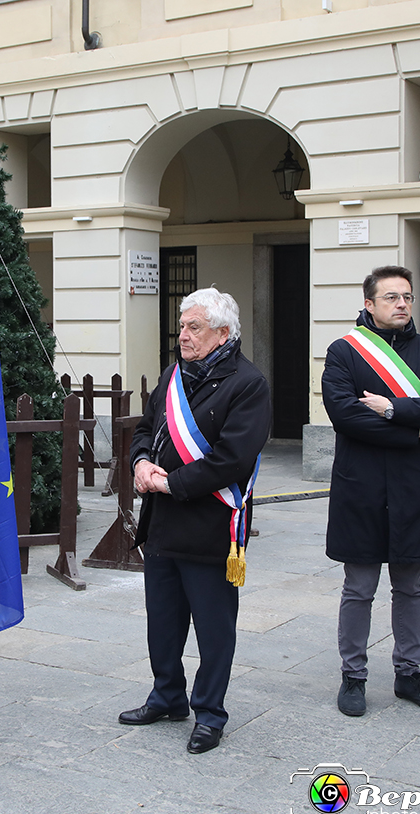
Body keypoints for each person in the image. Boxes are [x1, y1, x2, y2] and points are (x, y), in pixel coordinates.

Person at [123, 288, 271, 755]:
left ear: (223, 333)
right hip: (163, 523)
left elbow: (232, 458)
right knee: (162, 622)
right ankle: (167, 696)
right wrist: (141, 462)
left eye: (194, 328)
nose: (183, 335)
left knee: (213, 629)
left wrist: (172, 482)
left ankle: (209, 712)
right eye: (183, 326)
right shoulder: (173, 374)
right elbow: (146, 428)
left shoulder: (248, 384)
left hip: (211, 527)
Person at [322, 265, 420, 717]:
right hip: (360, 485)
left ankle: (409, 674)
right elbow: (345, 415)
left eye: (406, 297)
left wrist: (392, 408)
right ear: (369, 304)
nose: (402, 304)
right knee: (359, 587)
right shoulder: (344, 352)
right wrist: (411, 426)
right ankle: (354, 676)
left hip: (413, 485)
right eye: (391, 298)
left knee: (410, 586)